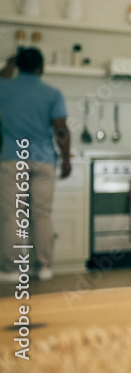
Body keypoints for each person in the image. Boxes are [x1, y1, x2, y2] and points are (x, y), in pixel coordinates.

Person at [0, 48, 71, 283]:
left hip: (12, 159)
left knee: (12, 216)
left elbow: (3, 76)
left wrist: (10, 64)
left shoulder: (4, 88)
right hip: (43, 161)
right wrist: (67, 159)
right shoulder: (52, 93)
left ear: (18, 66)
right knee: (42, 215)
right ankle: (44, 267)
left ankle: (11, 270)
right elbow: (61, 128)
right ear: (42, 68)